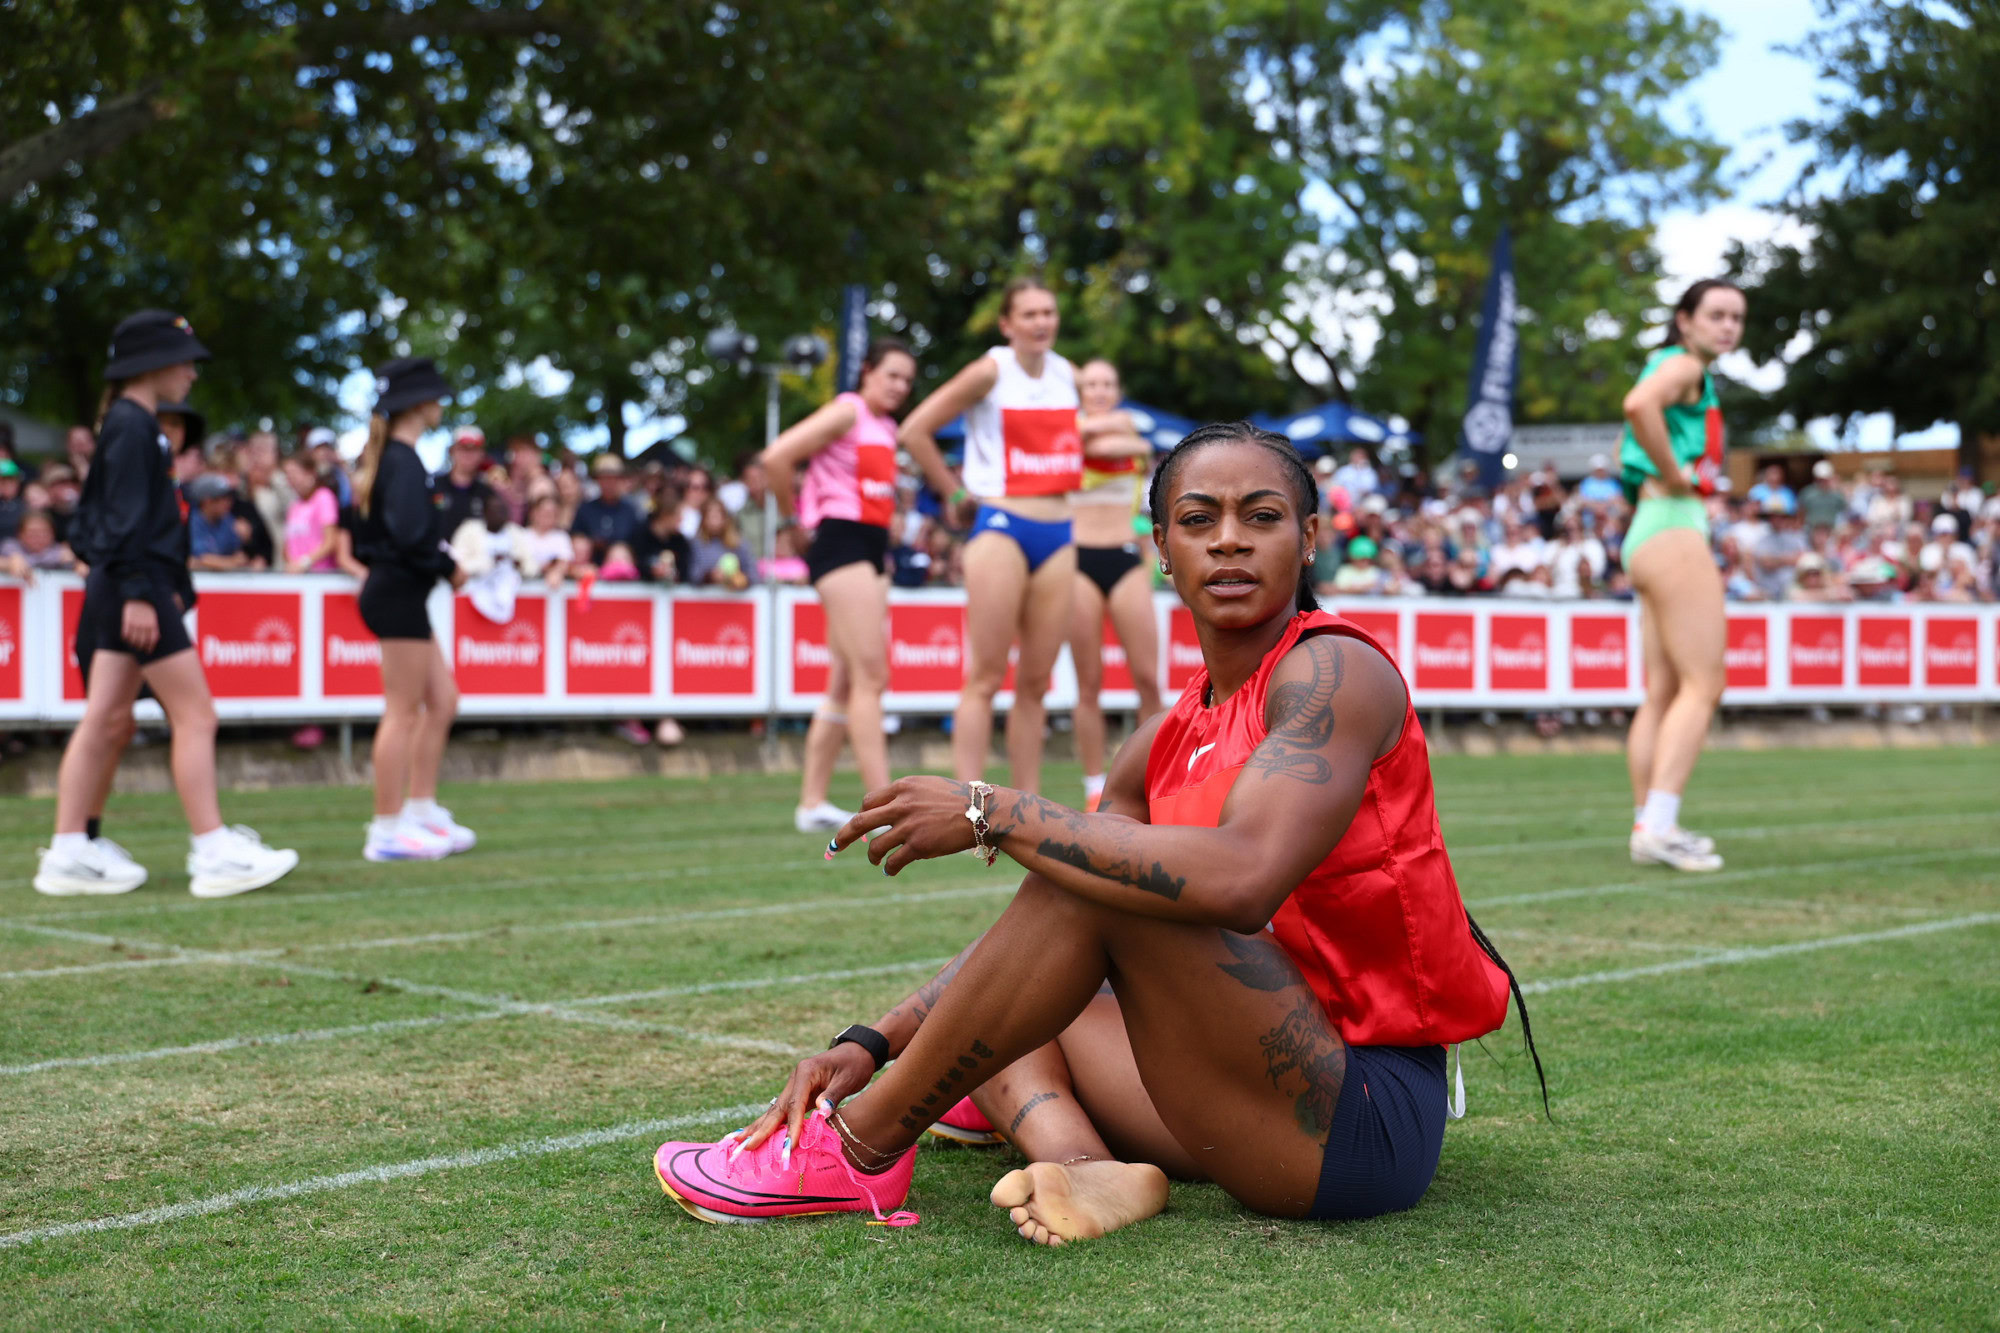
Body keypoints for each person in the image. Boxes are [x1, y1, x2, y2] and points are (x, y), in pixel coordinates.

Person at [652, 421, 1540, 1239]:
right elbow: (1049, 914)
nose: (1229, 539)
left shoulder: (1335, 671)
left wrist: (992, 809)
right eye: (1199, 519)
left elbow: (1243, 876)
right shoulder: (1162, 737)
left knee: (1102, 883)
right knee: (1028, 974)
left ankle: (856, 1150)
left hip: (1363, 1118)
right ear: (1162, 549)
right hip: (1249, 1086)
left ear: (1308, 538)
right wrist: (874, 1040)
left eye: (1261, 516)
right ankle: (1083, 1165)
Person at [34, 309, 299, 899]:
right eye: (184, 361)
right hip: (136, 585)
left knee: (105, 718)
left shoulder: (130, 424)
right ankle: (212, 848)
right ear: (152, 362)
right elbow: (121, 521)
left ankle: (70, 848)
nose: (192, 373)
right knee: (196, 715)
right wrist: (138, 591)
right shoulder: (133, 426)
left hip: (130, 583)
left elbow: (102, 521)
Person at [897, 277, 1081, 795]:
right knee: (985, 675)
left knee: (1036, 683)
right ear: (1006, 324)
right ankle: (968, 806)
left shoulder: (1069, 374)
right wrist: (953, 492)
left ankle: (1027, 808)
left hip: (1060, 530)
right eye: (1029, 314)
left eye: (1048, 312)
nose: (1041, 322)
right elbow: (914, 430)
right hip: (1001, 525)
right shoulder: (990, 370)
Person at [1617, 278, 1747, 872]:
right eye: (1716, 314)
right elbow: (1637, 406)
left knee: (1665, 691)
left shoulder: (1673, 364)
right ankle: (1659, 825)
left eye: (1736, 317)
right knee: (1704, 684)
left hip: (1649, 528)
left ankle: (1649, 823)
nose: (1729, 326)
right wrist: (1675, 475)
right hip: (1672, 524)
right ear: (1685, 319)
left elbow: (1632, 428)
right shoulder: (1684, 366)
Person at [761, 338, 916, 833]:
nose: (900, 386)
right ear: (867, 371)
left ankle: (812, 803)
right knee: (872, 676)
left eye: (907, 380)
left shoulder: (887, 427)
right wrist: (791, 521)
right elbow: (776, 457)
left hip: (870, 546)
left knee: (845, 680)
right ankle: (887, 809)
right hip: (840, 543)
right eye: (891, 375)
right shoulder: (848, 410)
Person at [351, 357, 475, 862]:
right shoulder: (402, 460)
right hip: (397, 593)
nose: (441, 404)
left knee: (442, 700)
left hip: (400, 592)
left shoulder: (397, 458)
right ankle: (386, 828)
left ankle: (420, 809)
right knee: (402, 711)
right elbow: (408, 536)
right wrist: (448, 567)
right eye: (435, 397)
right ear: (419, 403)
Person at [1067, 359, 1163, 812]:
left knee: (1148, 678)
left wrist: (1109, 435)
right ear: (1080, 391)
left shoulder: (1125, 427)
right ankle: (1093, 785)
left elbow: (1134, 443)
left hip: (1125, 555)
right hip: (1077, 558)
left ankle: (1150, 779)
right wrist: (1103, 435)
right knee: (1088, 683)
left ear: (1118, 390)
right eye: (1091, 384)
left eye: (1107, 383)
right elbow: (1099, 440)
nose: (1100, 390)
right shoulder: (1068, 428)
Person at [572, 454, 643, 569]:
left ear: (620, 480)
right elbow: (575, 539)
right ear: (597, 480)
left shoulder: (630, 510)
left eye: (612, 479)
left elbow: (639, 545)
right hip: (589, 569)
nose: (608, 483)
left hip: (622, 570)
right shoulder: (585, 509)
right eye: (604, 479)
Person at [282, 455, 342, 572]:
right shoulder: (294, 506)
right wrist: (292, 564)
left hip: (321, 575)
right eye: (288, 475)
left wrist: (304, 563)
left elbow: (331, 541)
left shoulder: (324, 496)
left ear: (310, 473)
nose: (291, 480)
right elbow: (287, 545)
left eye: (294, 473)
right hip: (298, 576)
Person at [686, 497, 754, 589]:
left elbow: (753, 574)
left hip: (735, 597)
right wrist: (710, 576)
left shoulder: (739, 544)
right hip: (706, 596)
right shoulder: (696, 544)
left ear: (725, 518)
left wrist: (740, 579)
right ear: (703, 520)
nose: (714, 521)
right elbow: (692, 575)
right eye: (710, 517)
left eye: (717, 516)